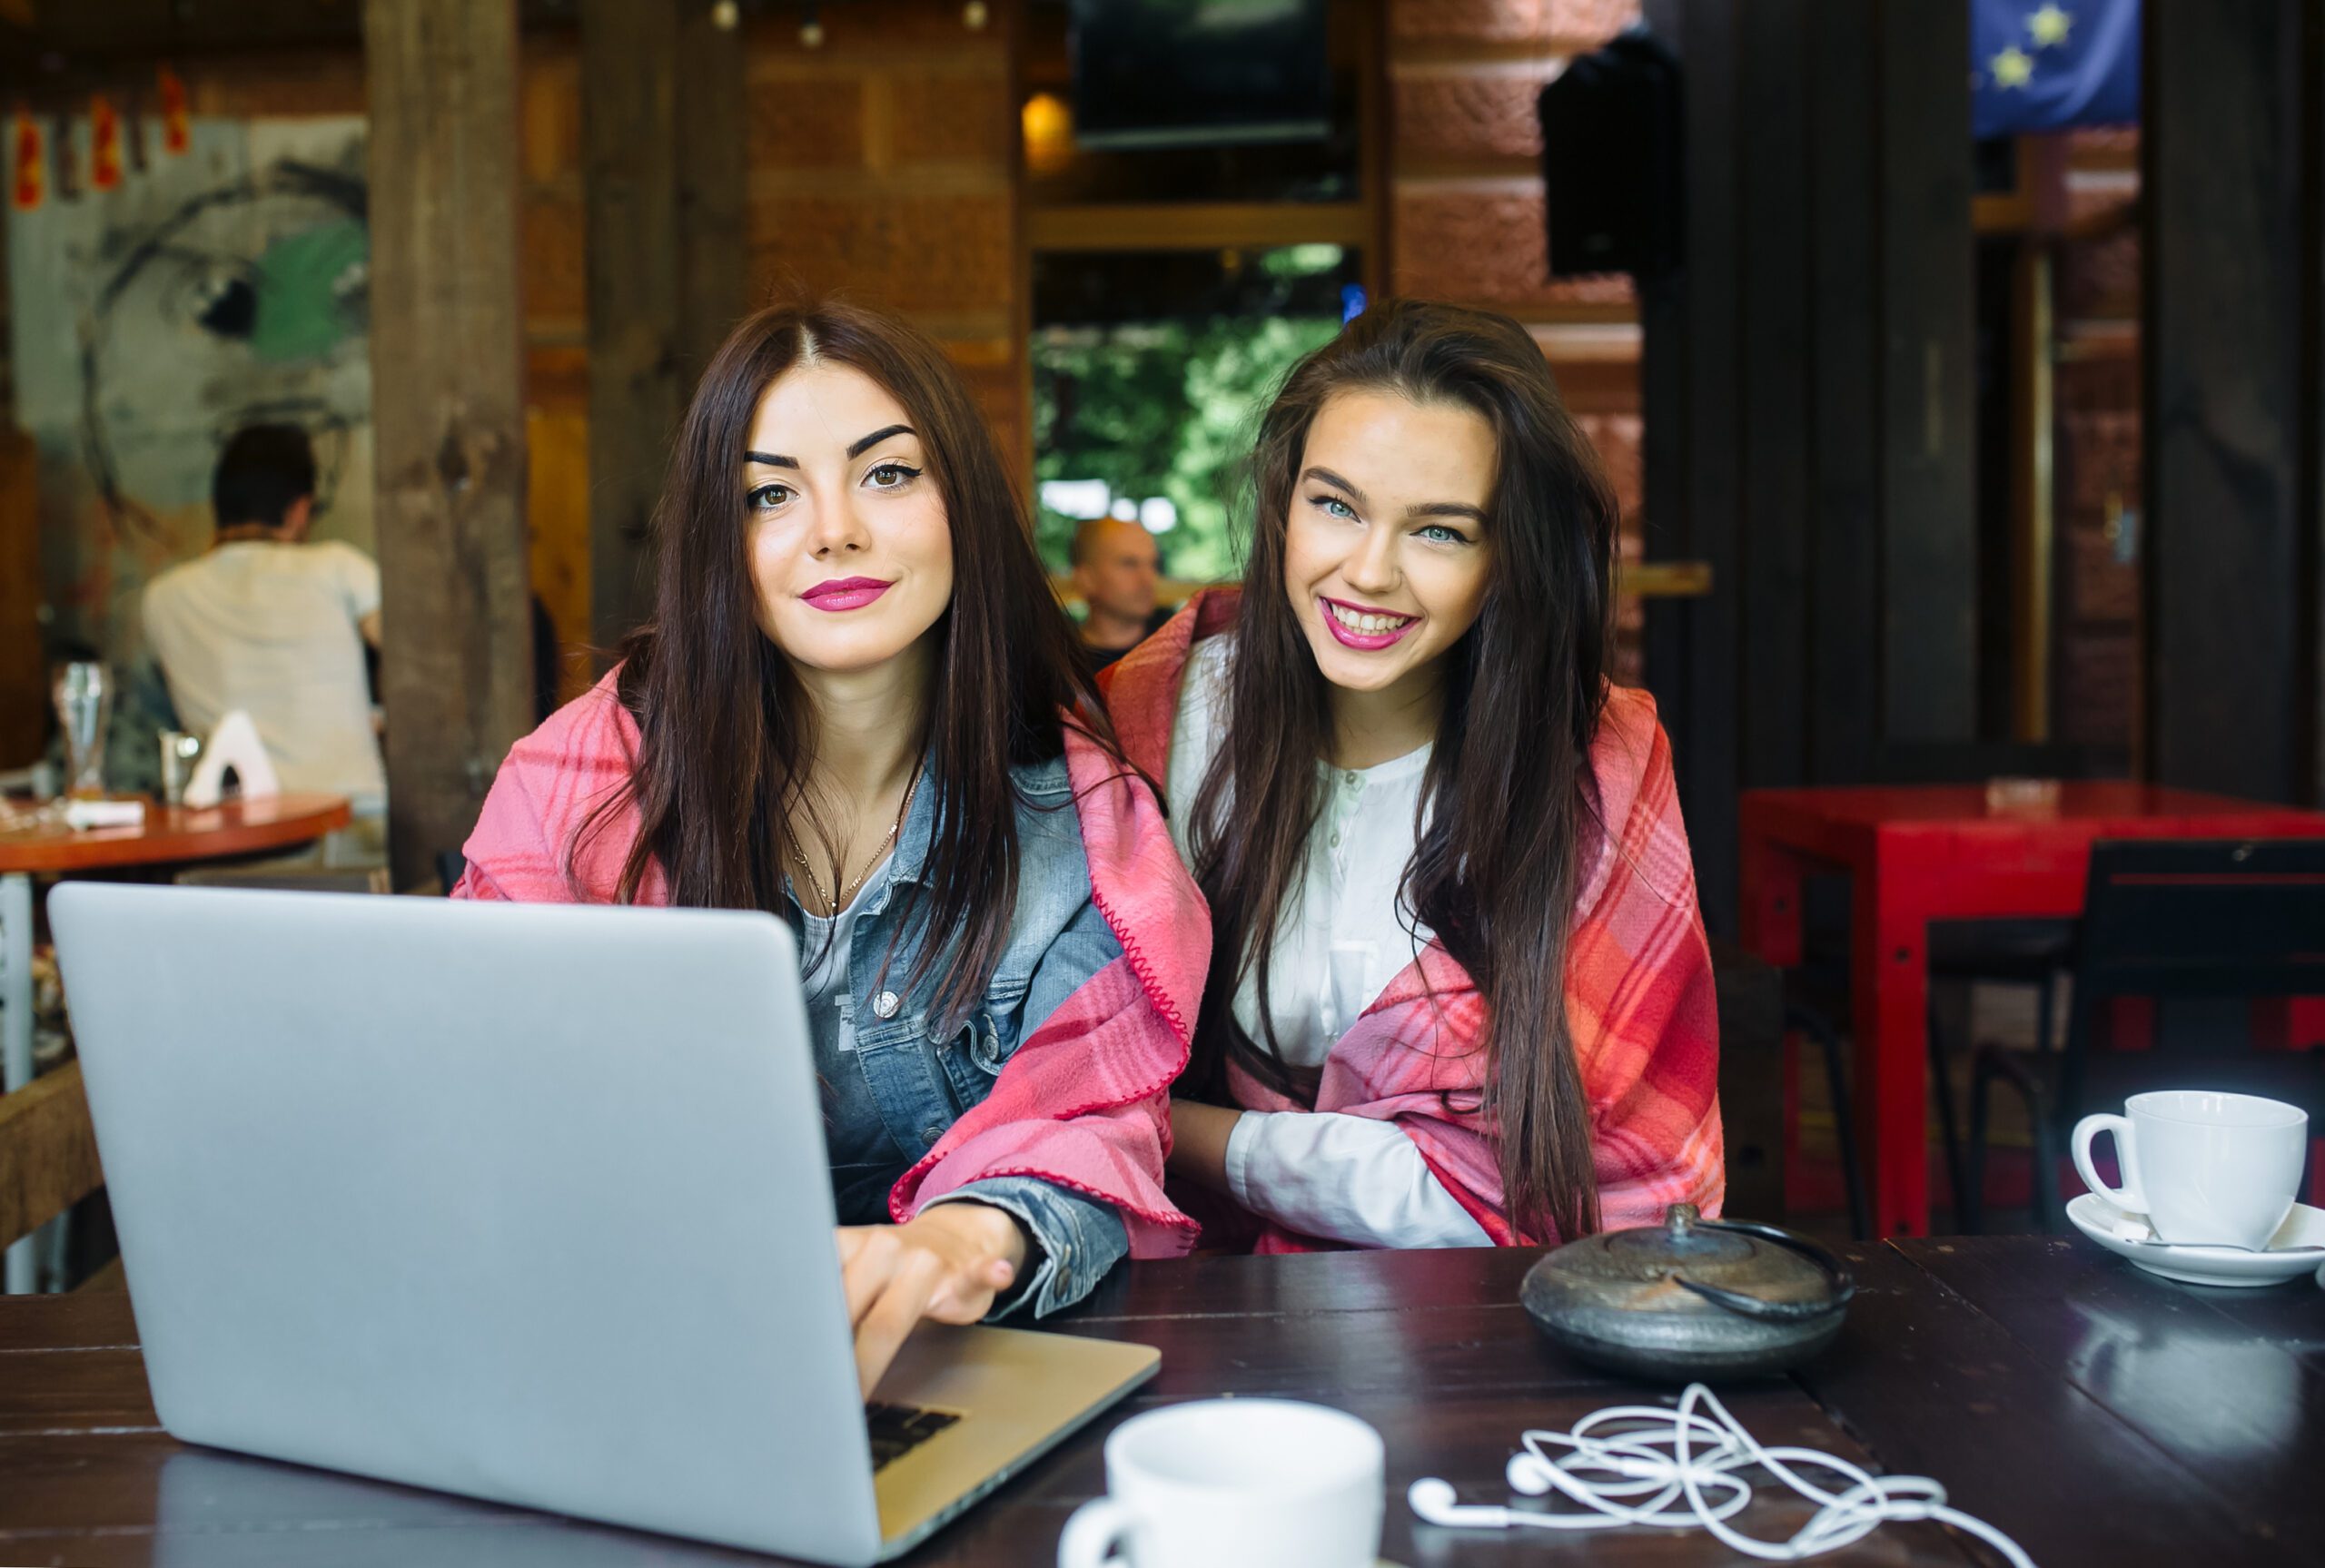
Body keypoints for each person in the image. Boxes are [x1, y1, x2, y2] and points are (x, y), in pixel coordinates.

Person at [454, 301, 1203, 1393]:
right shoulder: (589, 781)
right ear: (720, 543)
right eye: (769, 494)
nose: (833, 530)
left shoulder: (1080, 819)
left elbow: (1092, 1116)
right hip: (633, 1362)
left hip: (965, 1369)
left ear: (965, 505)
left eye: (887, 475)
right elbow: (479, 1079)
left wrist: (957, 1241)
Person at [1103, 300, 1722, 1254]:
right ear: (1281, 501)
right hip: (1187, 1303)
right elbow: (1047, 1073)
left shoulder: (1587, 770)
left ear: (1504, 558)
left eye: (1438, 531)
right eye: (1335, 504)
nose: (1370, 571)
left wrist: (1183, 1132)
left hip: (1492, 1329)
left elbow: (1560, 1190)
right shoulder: (1155, 724)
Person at [143, 424, 386, 819]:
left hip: (231, 833)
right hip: (353, 820)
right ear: (299, 510)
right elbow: (421, 666)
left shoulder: (162, 598)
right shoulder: (338, 568)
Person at [1070, 515, 1171, 672]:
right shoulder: (1059, 664)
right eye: (1129, 563)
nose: (1148, 579)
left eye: (1153, 564)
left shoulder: (1178, 651)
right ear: (1086, 578)